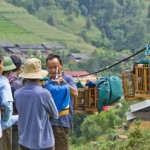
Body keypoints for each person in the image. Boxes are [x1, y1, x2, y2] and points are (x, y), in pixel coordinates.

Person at [14, 58, 58, 150]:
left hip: (24, 142)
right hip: (44, 143)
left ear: (25, 76)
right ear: (40, 76)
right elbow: (55, 115)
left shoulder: (17, 94)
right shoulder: (44, 93)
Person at [45, 54, 78, 150]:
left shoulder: (68, 79)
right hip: (48, 122)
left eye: (55, 67)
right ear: (47, 68)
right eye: (50, 67)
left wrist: (64, 83)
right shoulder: (47, 82)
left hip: (62, 122)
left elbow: (75, 93)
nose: (53, 70)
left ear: (61, 65)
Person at [0, 56, 18, 150]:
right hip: (3, 127)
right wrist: (6, 120)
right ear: (10, 71)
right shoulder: (4, 84)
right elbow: (7, 104)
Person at [8, 55, 22, 150]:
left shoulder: (3, 80)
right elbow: (20, 105)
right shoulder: (16, 84)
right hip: (15, 122)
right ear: (20, 68)